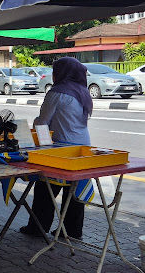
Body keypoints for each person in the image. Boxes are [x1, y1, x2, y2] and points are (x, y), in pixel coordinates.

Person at [22, 57, 92, 239]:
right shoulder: (82, 92)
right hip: (83, 147)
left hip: (62, 147)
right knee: (73, 190)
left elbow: (42, 122)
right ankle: (72, 231)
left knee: (45, 187)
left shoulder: (57, 93)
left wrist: (37, 137)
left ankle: (38, 227)